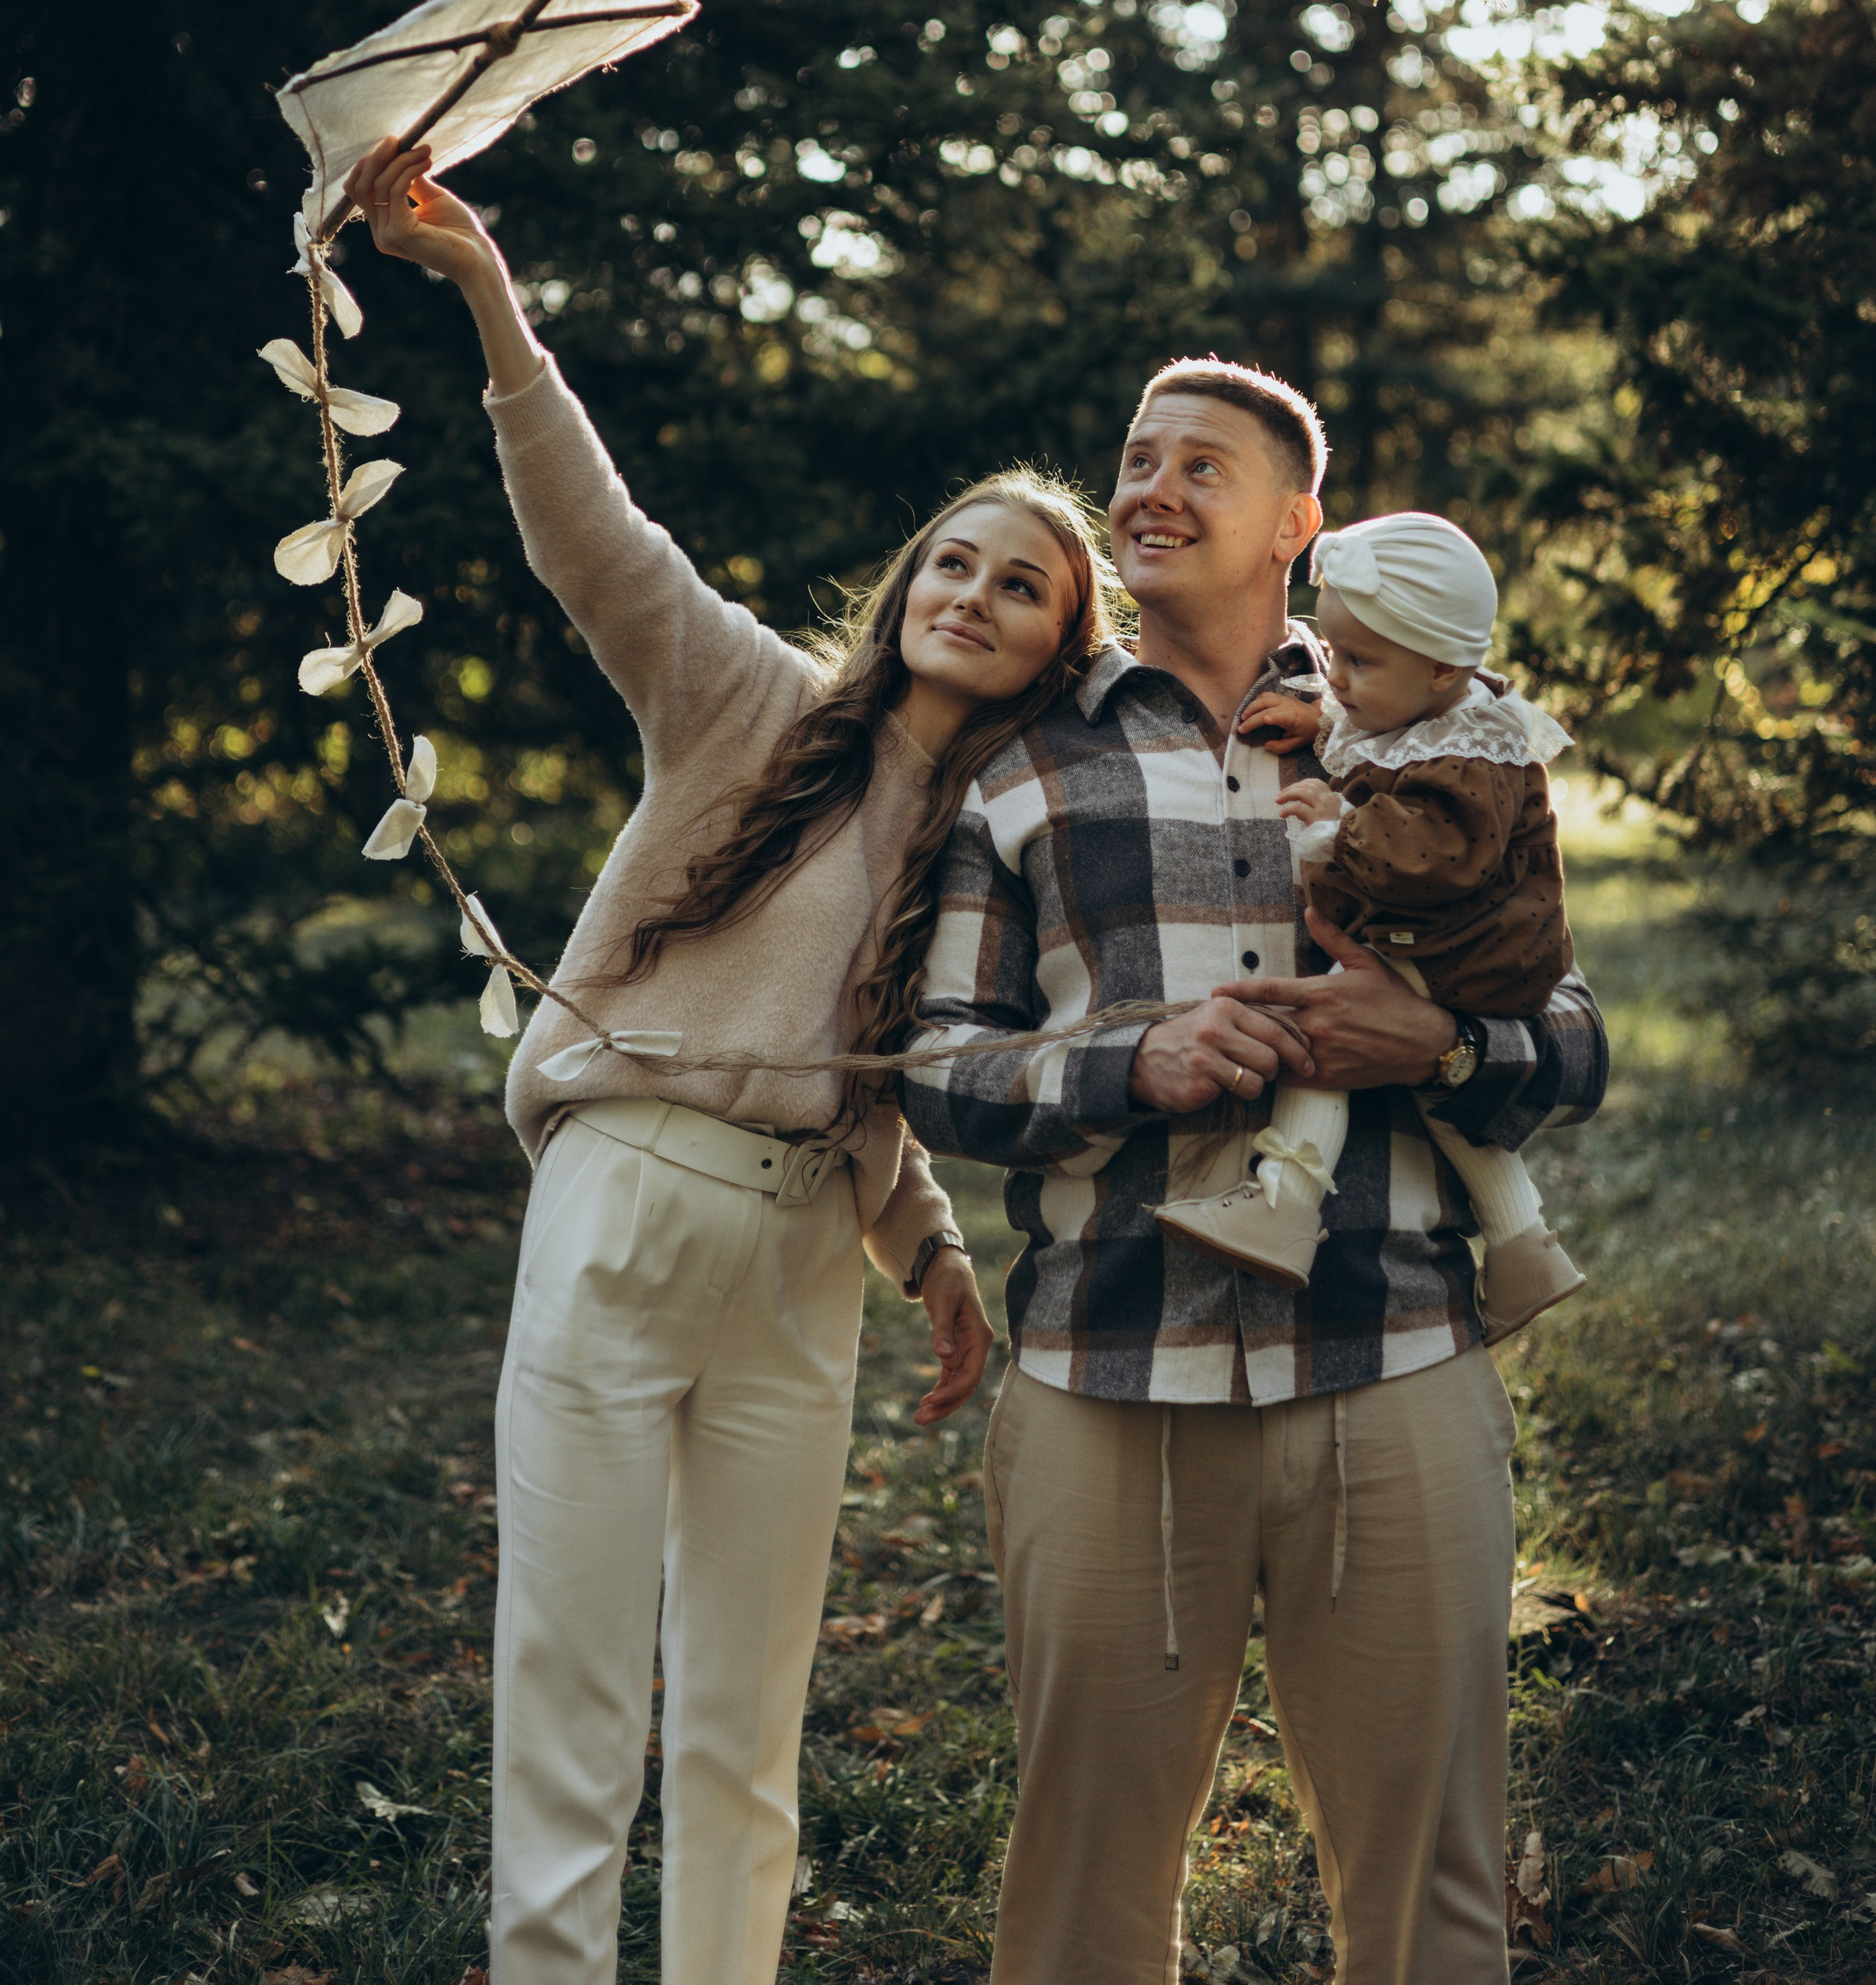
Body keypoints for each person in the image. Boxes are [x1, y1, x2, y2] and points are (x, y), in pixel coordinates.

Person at [343, 136, 1118, 1985]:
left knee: (744, 1728)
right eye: (952, 558)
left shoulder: (996, 837)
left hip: (796, 1273)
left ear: (1051, 651)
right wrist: (485, 296)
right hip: (626, 1200)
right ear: (903, 583)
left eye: (1019, 586)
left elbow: (865, 1077)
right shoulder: (746, 698)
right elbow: (592, 535)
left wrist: (928, 1259)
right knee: (573, 1696)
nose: (973, 591)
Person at [900, 355, 1609, 1985]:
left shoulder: (1440, 732)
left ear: (1298, 519)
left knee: (1432, 1878)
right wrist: (1123, 1064)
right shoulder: (1020, 770)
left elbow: (1569, 1035)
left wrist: (1426, 1052)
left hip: (1399, 1357)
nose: (1148, 487)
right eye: (1134, 458)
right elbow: (937, 1067)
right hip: (1105, 1367)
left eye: (1199, 464)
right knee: (1082, 1880)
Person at [1155, 509, 1587, 1341]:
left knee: (1328, 1032)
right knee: (1430, 1094)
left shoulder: (1476, 754)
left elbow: (1437, 854)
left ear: (1440, 669)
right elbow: (1384, 730)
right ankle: (1525, 1246)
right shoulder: (1428, 710)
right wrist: (1322, 721)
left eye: (1359, 662)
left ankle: (1284, 1205)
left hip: (1478, 948)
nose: (1339, 677)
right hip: (1466, 940)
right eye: (1333, 651)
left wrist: (1337, 821)